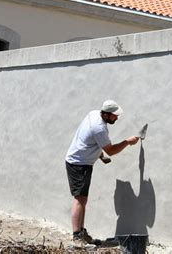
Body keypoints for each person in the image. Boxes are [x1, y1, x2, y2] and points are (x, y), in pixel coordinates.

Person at [65, 100, 140, 244]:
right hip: (79, 164)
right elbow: (111, 150)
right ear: (106, 114)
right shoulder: (99, 128)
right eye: (114, 116)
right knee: (80, 199)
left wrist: (99, 155)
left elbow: (87, 138)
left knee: (83, 198)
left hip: (81, 161)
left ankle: (81, 232)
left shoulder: (94, 114)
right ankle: (77, 237)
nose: (116, 118)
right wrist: (128, 142)